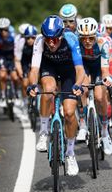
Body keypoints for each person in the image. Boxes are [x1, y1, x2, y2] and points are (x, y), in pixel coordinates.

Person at [27, 15, 85, 176]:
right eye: (48, 39)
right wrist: (32, 85)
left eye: (54, 39)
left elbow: (80, 69)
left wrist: (78, 85)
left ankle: (71, 153)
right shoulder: (39, 41)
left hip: (68, 71)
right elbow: (34, 70)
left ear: (61, 35)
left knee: (68, 112)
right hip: (49, 68)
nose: (51, 43)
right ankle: (44, 131)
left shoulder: (71, 38)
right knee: (48, 89)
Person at [76, 17, 112, 155]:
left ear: (96, 36)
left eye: (91, 38)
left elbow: (105, 70)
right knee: (82, 89)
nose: (87, 41)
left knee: (99, 96)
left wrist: (106, 79)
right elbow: (78, 68)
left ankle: (105, 133)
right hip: (84, 68)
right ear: (79, 37)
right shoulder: (76, 43)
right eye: (84, 38)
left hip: (99, 68)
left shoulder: (102, 43)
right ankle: (82, 123)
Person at [0, 17, 19, 107]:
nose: (4, 32)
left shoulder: (14, 36)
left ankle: (16, 94)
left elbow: (17, 51)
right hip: (2, 56)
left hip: (12, 56)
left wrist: (18, 63)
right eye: (1, 30)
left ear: (8, 28)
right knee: (2, 75)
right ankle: (3, 96)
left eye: (5, 30)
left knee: (15, 77)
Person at [14, 25, 38, 116]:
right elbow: (17, 60)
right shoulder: (20, 43)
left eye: (33, 38)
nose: (30, 40)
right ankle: (24, 102)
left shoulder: (39, 42)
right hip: (25, 63)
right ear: (25, 38)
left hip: (37, 63)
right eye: (28, 38)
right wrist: (20, 72)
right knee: (24, 83)